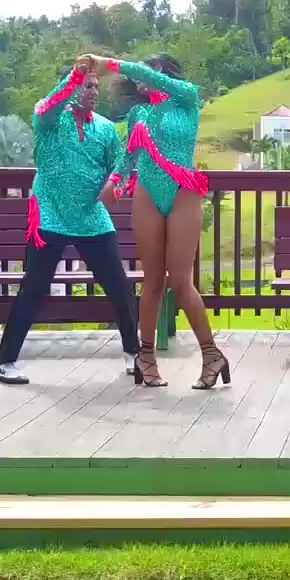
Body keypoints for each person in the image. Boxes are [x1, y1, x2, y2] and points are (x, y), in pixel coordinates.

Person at [85, 53, 227, 390]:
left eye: (144, 72)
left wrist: (113, 64)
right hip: (147, 193)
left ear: (160, 72)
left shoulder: (186, 98)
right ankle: (145, 357)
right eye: (135, 75)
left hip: (183, 192)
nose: (137, 79)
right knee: (152, 282)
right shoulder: (139, 113)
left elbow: (158, 81)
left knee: (180, 280)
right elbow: (128, 157)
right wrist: (114, 182)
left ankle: (212, 355)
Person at [0, 68, 138, 384]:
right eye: (87, 86)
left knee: (118, 286)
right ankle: (5, 362)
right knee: (33, 287)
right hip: (50, 213)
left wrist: (114, 183)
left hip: (91, 214)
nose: (94, 92)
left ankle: (134, 354)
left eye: (96, 86)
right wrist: (74, 75)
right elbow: (48, 106)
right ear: (70, 88)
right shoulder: (48, 120)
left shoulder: (106, 129)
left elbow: (121, 163)